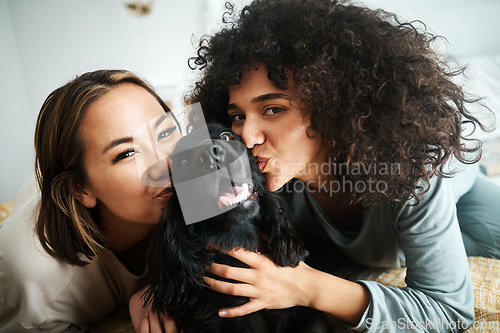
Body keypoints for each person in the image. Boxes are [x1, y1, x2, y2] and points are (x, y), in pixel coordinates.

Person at [184, 0, 500, 332]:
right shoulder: (256, 177)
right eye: (237, 116)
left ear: (332, 104)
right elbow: (190, 232)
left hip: (462, 191)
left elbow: (449, 311)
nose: (246, 136)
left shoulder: (414, 166)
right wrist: (148, 291)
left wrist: (307, 287)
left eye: (273, 109)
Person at [0, 69, 183, 332]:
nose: (167, 164)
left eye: (165, 133)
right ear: (80, 188)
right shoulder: (32, 275)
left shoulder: (197, 178)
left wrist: (162, 286)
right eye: (127, 153)